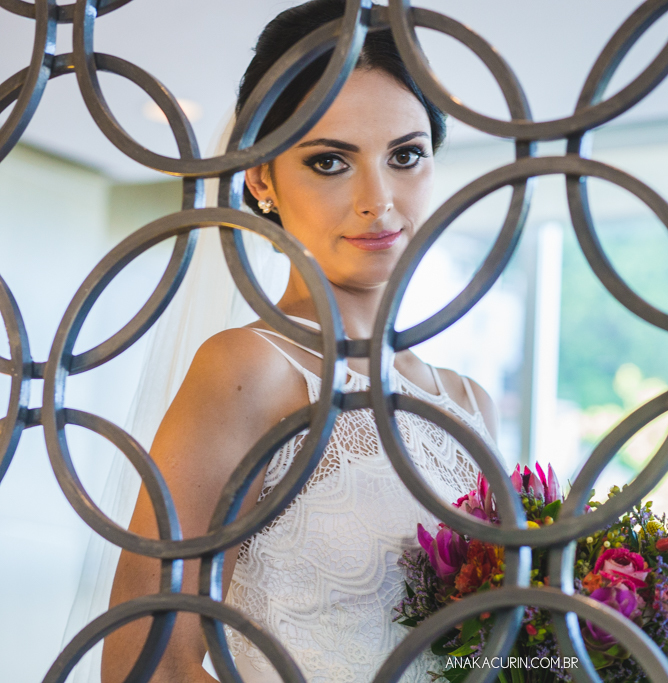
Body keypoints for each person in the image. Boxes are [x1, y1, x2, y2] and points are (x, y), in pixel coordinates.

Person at [102, 2, 499, 681]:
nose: (378, 200)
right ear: (261, 178)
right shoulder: (249, 369)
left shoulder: (469, 403)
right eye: (328, 162)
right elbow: (147, 659)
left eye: (406, 155)